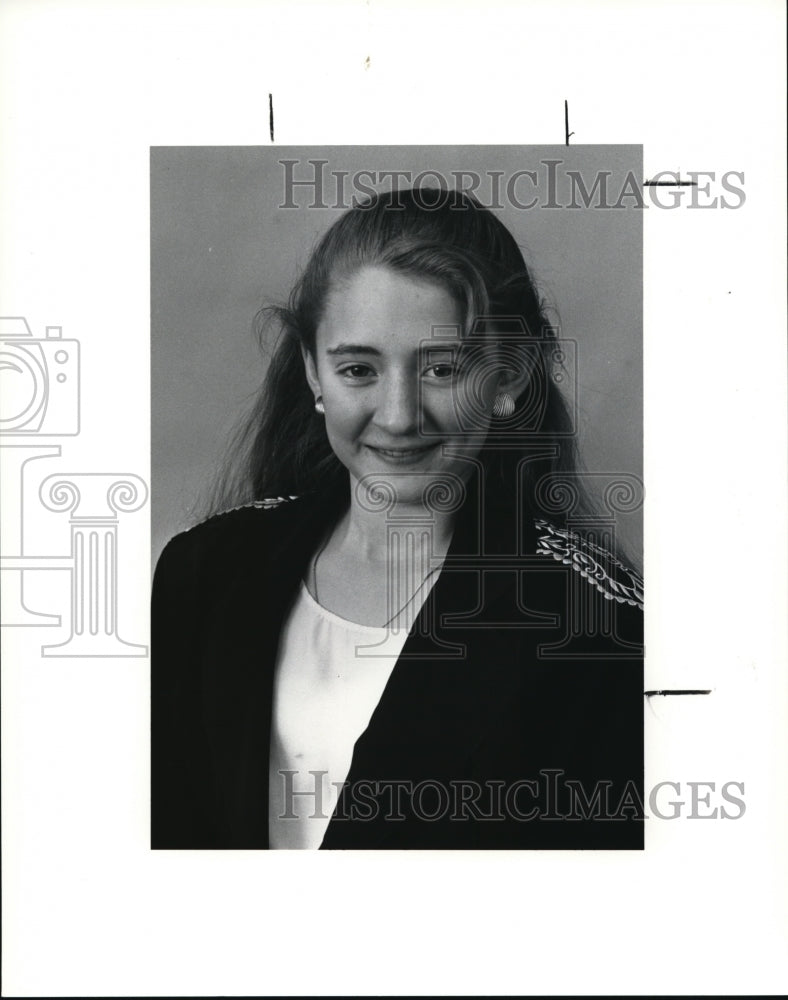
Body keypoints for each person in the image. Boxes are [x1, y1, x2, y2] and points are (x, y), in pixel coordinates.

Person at [151, 187, 644, 850]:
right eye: (358, 369)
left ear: (510, 377)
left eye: (442, 368)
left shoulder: (594, 625)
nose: (399, 414)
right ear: (313, 374)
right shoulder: (203, 572)